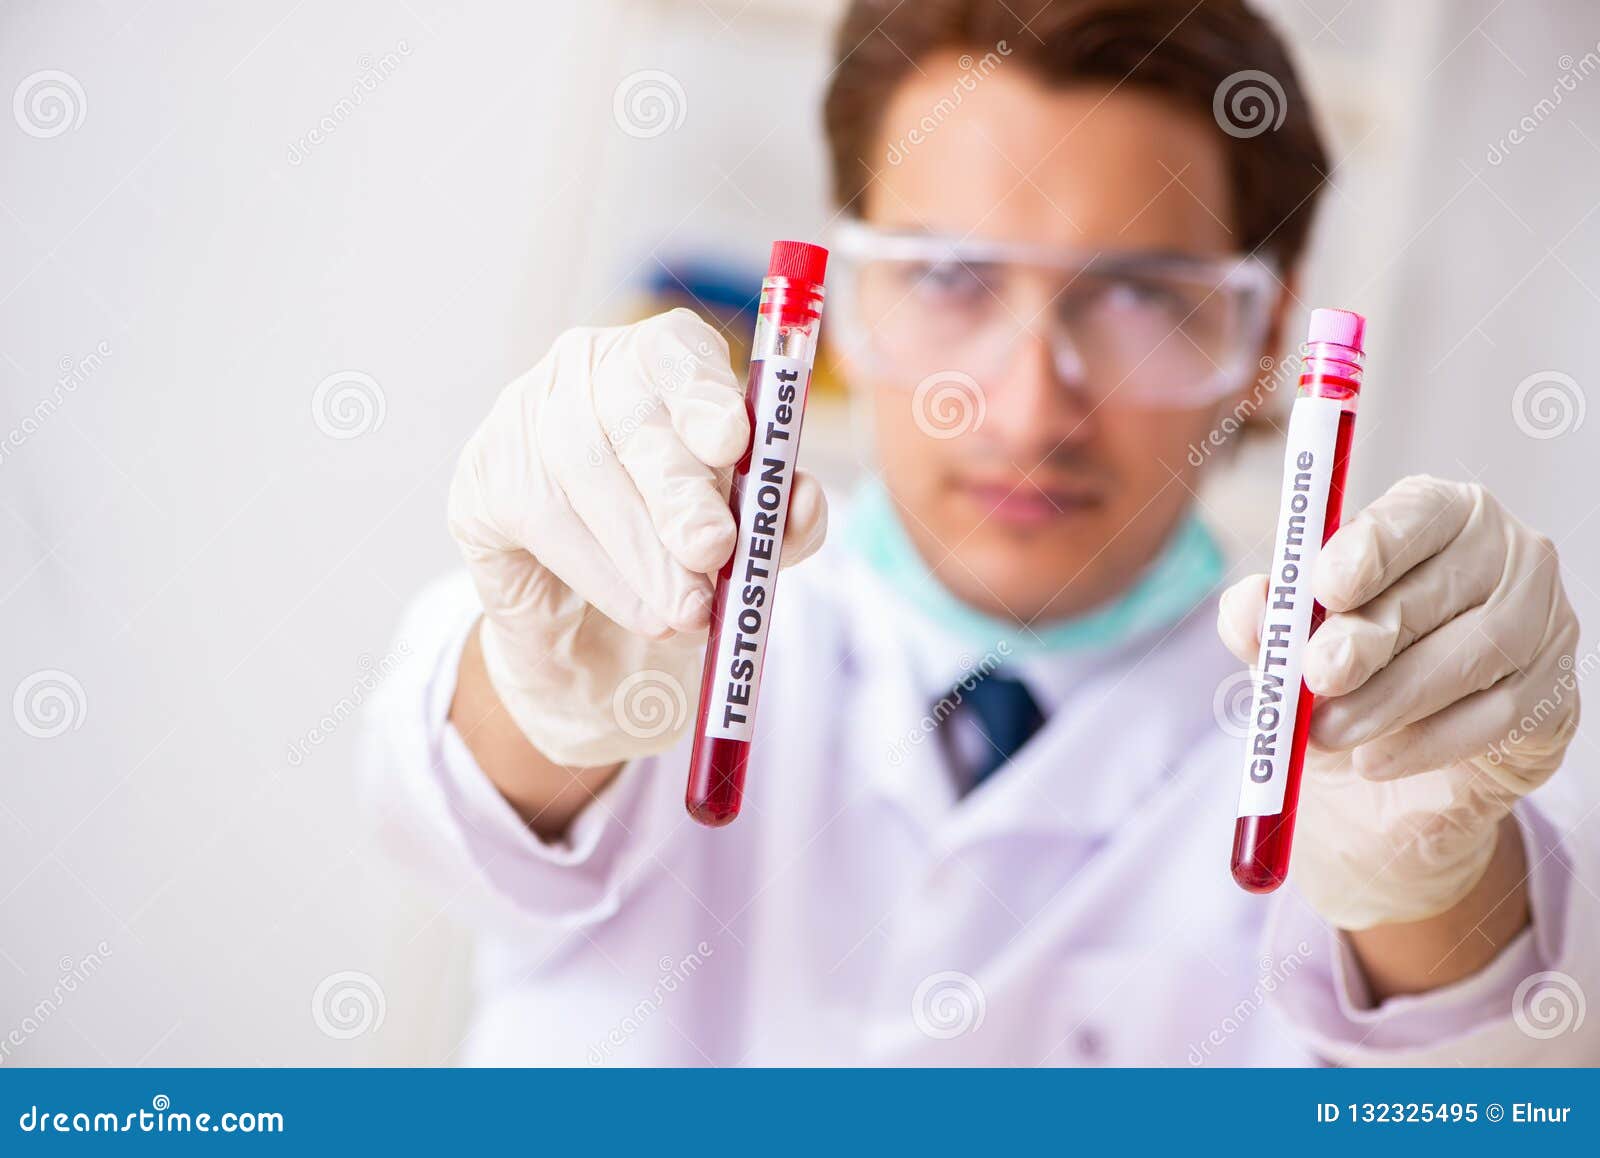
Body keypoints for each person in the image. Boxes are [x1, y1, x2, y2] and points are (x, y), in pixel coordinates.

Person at [363, 0, 1594, 1065]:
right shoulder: (656, 623)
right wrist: (537, 698)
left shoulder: (1402, 737)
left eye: (1139, 296)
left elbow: (1494, 1087)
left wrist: (1432, 885)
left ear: (1265, 344)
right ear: (844, 299)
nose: (1028, 407)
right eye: (950, 277)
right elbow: (451, 816)